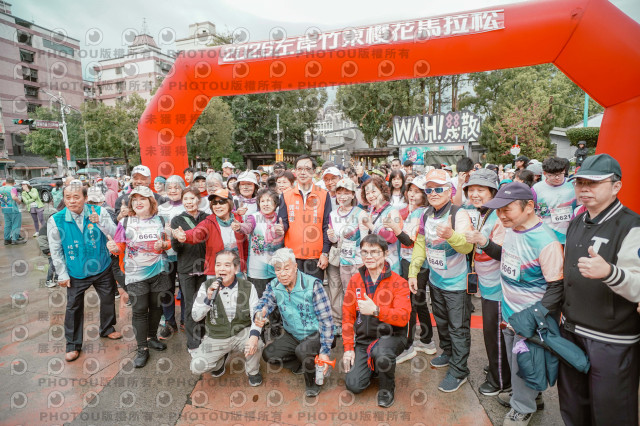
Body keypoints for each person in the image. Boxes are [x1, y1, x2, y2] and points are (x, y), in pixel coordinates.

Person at [556, 154, 640, 426]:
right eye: (580, 182)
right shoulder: (576, 221)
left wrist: (609, 273)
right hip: (571, 332)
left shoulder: (632, 226)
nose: (584, 189)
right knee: (572, 405)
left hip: (611, 340)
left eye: (593, 183)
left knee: (611, 412)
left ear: (616, 186)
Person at [483, 182, 564, 425]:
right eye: (498, 210)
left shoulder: (546, 241)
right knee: (519, 362)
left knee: (523, 363)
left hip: (529, 319)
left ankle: (522, 408)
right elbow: (507, 257)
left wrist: (531, 319)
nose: (501, 216)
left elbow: (556, 287)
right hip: (510, 312)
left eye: (507, 209)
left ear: (529, 206)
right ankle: (530, 397)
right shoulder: (512, 229)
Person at [408, 168, 474, 393]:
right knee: (442, 322)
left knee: (458, 328)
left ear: (450, 191)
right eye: (429, 190)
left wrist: (450, 235)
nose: (433, 193)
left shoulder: (459, 214)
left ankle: (459, 370)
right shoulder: (426, 214)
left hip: (456, 284)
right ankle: (448, 352)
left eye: (439, 189)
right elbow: (420, 244)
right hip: (436, 280)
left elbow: (467, 247)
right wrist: (413, 272)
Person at [48, 182, 121, 362]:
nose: (72, 201)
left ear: (86, 198)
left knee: (108, 299)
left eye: (76, 197)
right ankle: (73, 344)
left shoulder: (99, 212)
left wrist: (101, 222)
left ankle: (107, 328)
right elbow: (55, 250)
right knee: (73, 306)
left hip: (102, 266)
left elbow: (115, 234)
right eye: (68, 197)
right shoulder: (56, 220)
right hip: (76, 270)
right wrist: (62, 274)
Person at [107, 186, 173, 368]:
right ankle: (142, 348)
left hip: (159, 271)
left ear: (151, 201)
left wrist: (165, 244)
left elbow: (169, 242)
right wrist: (114, 248)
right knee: (140, 309)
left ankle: (151, 337)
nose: (138, 202)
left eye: (142, 198)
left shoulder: (161, 220)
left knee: (157, 307)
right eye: (134, 199)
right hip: (136, 273)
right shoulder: (125, 222)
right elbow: (119, 246)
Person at [342, 234, 411, 408]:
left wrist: (376, 310)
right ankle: (373, 365)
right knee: (353, 385)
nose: (369, 256)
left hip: (392, 336)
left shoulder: (399, 282)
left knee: (382, 353)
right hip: (364, 340)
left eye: (374, 252)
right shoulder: (355, 280)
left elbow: (403, 318)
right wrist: (348, 348)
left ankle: (387, 388)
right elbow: (347, 316)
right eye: (364, 252)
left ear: (385, 253)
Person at [255, 248, 334, 397]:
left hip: (315, 334)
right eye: (278, 269)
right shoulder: (274, 285)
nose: (283, 273)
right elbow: (264, 302)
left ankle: (313, 381)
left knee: (303, 350)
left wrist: (324, 352)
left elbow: (327, 321)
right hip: (293, 334)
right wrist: (260, 311)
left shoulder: (312, 285)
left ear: (295, 266)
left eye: (287, 268)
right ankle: (302, 364)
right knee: (268, 354)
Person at [460, 169, 511, 396]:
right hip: (488, 285)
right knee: (491, 334)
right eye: (471, 190)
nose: (475, 194)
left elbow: (504, 253)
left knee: (495, 335)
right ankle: (497, 368)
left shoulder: (500, 215)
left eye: (480, 190)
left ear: (493, 191)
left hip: (499, 288)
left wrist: (482, 241)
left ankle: (500, 381)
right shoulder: (484, 212)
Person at [190, 250, 264, 386]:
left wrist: (254, 336)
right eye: (218, 265)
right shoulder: (206, 286)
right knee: (197, 366)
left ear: (236, 269)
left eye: (227, 265)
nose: (221, 269)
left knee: (257, 343)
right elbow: (195, 316)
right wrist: (208, 299)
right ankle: (219, 363)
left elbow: (257, 314)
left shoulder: (248, 286)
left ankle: (253, 371)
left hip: (241, 332)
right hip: (216, 335)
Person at [385, 175, 437, 364]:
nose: (413, 195)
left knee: (410, 304)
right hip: (416, 263)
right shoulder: (414, 212)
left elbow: (408, 241)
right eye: (411, 191)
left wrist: (395, 228)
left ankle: (407, 346)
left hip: (415, 264)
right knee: (419, 302)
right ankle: (427, 341)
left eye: (418, 192)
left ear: (425, 195)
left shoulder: (420, 213)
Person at [276, 155, 332, 281]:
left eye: (307, 169)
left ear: (313, 171)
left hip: (315, 256)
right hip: (292, 256)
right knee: (293, 291)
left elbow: (326, 226)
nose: (303, 172)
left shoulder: (323, 195)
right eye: (299, 169)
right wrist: (281, 228)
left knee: (314, 291)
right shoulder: (286, 195)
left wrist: (325, 253)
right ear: (295, 171)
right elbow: (283, 222)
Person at [172, 188, 248, 278]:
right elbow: (196, 233)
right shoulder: (208, 222)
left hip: (237, 271)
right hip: (215, 273)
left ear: (230, 203)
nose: (218, 206)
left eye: (222, 202)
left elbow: (244, 245)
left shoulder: (238, 219)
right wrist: (184, 236)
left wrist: (244, 265)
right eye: (214, 203)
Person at [326, 178, 366, 336]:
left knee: (355, 293)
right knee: (337, 291)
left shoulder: (360, 213)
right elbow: (334, 240)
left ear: (353, 194)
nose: (342, 196)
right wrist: (332, 237)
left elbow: (364, 239)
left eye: (346, 193)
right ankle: (340, 323)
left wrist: (364, 260)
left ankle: (358, 325)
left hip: (357, 261)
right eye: (339, 193)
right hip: (339, 259)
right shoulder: (332, 214)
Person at [171, 187, 208, 353]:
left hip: (205, 267)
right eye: (185, 199)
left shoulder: (207, 218)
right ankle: (193, 341)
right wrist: (177, 239)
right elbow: (175, 248)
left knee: (204, 303)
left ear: (198, 200)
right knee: (191, 304)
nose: (189, 202)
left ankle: (203, 335)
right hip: (186, 268)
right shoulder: (177, 220)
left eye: (192, 198)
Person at [235, 188, 284, 296]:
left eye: (269, 201)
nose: (265, 204)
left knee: (277, 298)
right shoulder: (253, 217)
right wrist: (239, 227)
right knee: (259, 298)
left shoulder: (281, 218)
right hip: (257, 270)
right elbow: (247, 227)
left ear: (275, 203)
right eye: (262, 201)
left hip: (277, 269)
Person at [157, 175, 187, 339]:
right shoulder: (161, 208)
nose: (173, 190)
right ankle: (170, 322)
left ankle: (185, 320)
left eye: (177, 187)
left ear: (183, 188)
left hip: (185, 253)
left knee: (186, 288)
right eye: (170, 188)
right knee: (166, 289)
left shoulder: (188, 205)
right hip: (166, 254)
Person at [360, 176, 403, 275]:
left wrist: (371, 226)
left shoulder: (392, 211)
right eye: (367, 193)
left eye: (373, 191)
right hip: (373, 263)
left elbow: (392, 238)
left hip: (390, 262)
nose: (370, 196)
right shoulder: (371, 210)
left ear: (382, 191)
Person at [532, 157, 577, 246]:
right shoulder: (536, 189)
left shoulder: (573, 184)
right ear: (545, 173)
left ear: (564, 171)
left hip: (570, 235)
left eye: (560, 174)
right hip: (547, 236)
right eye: (552, 175)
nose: (557, 178)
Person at [1, 177, 26, 245]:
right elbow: (14, 197)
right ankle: (14, 239)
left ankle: (7, 240)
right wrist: (19, 201)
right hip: (13, 209)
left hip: (5, 208)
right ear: (13, 183)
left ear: (6, 182)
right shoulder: (12, 188)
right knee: (16, 224)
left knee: (7, 224)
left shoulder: (1, 189)